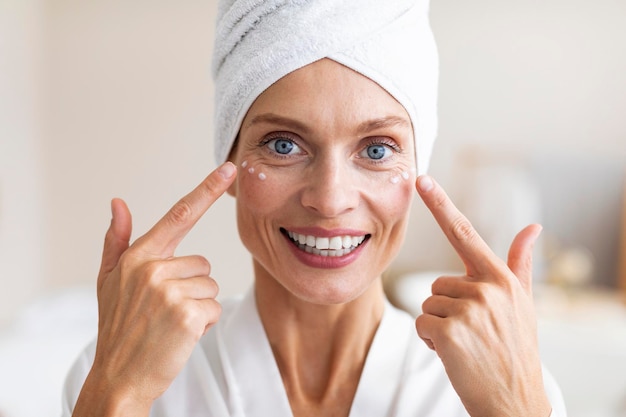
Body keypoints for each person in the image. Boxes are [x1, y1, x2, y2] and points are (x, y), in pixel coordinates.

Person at [62, 0, 567, 416]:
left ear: (418, 172)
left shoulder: (499, 383)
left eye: (376, 149)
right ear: (230, 162)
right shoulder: (127, 373)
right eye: (283, 145)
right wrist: (116, 394)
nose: (329, 200)